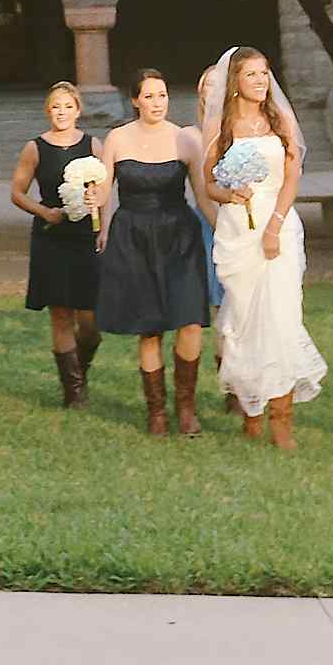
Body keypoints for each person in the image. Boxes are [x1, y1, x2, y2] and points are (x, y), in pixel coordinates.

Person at [207, 46, 324, 451]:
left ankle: (282, 418)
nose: (260, 81)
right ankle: (251, 410)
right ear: (235, 83)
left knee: (280, 318)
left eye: (264, 73)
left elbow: (292, 177)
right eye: (251, 75)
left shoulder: (280, 120)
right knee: (244, 320)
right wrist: (228, 193)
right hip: (238, 226)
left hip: (277, 225)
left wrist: (274, 226)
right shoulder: (222, 126)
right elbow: (208, 183)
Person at [91, 67, 214, 438]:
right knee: (150, 328)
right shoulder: (116, 139)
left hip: (179, 235)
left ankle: (187, 407)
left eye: (162, 95)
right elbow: (103, 192)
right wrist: (99, 217)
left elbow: (204, 197)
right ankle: (156, 411)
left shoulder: (186, 140)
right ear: (135, 101)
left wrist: (228, 229)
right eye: (149, 96)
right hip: (133, 236)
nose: (157, 103)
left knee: (190, 321)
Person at [8, 80, 102, 406]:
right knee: (61, 315)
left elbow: (108, 189)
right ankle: (73, 392)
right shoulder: (35, 147)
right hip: (52, 236)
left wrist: (97, 200)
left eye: (67, 106)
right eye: (55, 107)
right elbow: (16, 193)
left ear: (78, 110)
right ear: (48, 111)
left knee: (90, 322)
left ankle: (81, 369)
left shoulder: (94, 144)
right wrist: (44, 212)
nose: (61, 113)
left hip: (86, 237)